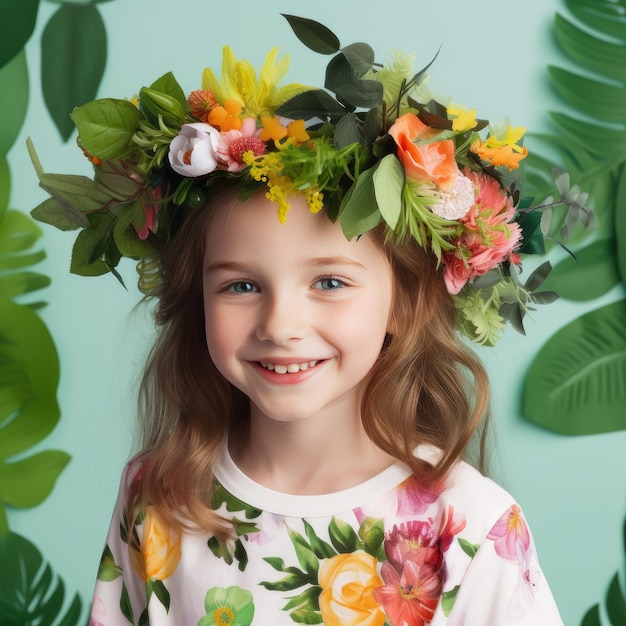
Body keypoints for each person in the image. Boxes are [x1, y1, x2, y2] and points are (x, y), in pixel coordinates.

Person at [31, 15, 577, 626]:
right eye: (241, 285)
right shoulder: (158, 497)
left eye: (329, 282)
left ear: (400, 301)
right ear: (198, 300)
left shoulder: (472, 526)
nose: (281, 323)